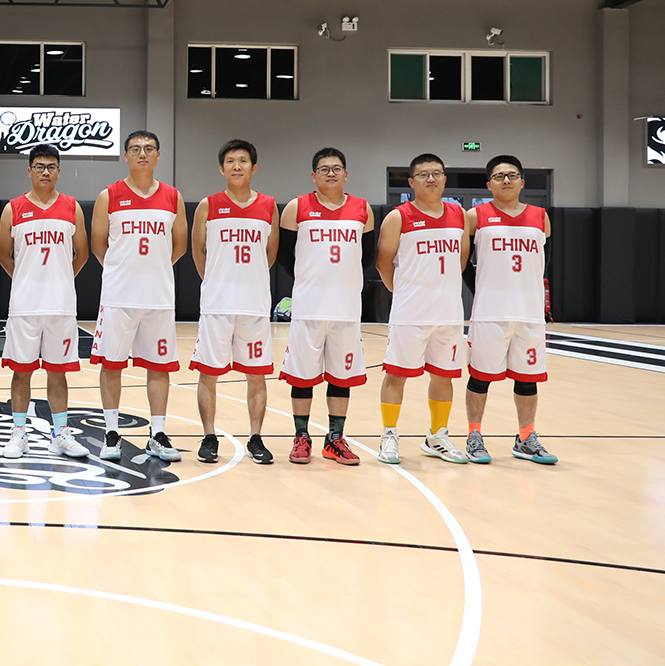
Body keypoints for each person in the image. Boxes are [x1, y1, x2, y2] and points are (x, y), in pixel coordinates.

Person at [89, 130, 188, 462]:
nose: (142, 153)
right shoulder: (109, 195)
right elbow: (98, 245)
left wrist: (153, 269)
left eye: (148, 148)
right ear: (126, 155)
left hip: (158, 297)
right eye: (135, 149)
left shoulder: (173, 196)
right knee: (112, 365)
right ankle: (111, 432)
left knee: (159, 366)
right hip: (118, 297)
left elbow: (179, 246)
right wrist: (123, 270)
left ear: (158, 155)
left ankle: (157, 433)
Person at [277, 147, 373, 466]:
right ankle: (301, 436)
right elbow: (285, 256)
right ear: (313, 175)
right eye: (324, 169)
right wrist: (311, 279)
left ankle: (335, 439)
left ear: (346, 174)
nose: (330, 173)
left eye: (336, 168)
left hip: (346, 308)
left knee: (341, 377)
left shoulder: (362, 209)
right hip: (309, 307)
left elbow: (367, 256)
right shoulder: (297, 207)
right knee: (302, 377)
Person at [0, 144, 91, 459]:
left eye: (51, 166)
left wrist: (62, 278)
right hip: (24, 305)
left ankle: (60, 433)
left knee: (57, 371)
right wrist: (26, 279)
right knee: (21, 371)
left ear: (59, 171)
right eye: (39, 166)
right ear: (29, 170)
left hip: (60, 305)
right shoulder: (13, 208)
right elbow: (4, 255)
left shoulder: (72, 207)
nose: (45, 172)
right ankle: (19, 433)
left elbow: (82, 254)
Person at [376, 153, 470, 465]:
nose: (431, 179)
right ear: (411, 181)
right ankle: (389, 435)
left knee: (444, 377)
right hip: (410, 313)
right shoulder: (398, 217)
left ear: (445, 179)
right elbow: (383, 262)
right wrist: (402, 292)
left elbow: (460, 261)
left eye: (437, 173)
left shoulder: (459, 215)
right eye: (424, 174)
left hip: (448, 313)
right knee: (396, 375)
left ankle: (437, 436)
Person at [463, 155, 558, 465]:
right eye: (499, 176)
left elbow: (542, 263)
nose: (506, 180)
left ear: (522, 182)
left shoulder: (540, 216)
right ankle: (474, 436)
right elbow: (463, 264)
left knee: (527, 379)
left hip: (528, 313)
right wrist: (483, 291)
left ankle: (526, 438)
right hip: (490, 313)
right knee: (480, 377)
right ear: (488, 184)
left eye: (512, 175)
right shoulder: (475, 216)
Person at [190, 139, 279, 466]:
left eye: (243, 160)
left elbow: (269, 254)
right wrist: (215, 281)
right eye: (230, 161)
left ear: (253, 167)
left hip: (253, 305)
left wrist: (248, 280)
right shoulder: (208, 205)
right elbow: (198, 251)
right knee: (208, 373)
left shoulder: (268, 205)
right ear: (221, 168)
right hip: (217, 305)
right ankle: (209, 437)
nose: (237, 166)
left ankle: (256, 438)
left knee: (256, 375)